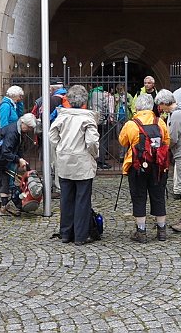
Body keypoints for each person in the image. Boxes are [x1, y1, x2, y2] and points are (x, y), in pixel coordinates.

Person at [49, 85, 99, 245]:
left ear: (69, 101)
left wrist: (61, 149)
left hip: (65, 162)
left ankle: (65, 233)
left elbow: (52, 137)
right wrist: (93, 154)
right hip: (82, 162)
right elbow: (91, 141)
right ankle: (80, 236)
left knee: (66, 198)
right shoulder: (87, 118)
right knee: (82, 200)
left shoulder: (62, 116)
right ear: (84, 101)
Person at [119, 93, 170, 243]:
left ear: (137, 107)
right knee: (159, 196)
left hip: (137, 166)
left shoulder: (131, 124)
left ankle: (141, 232)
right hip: (158, 166)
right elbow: (166, 141)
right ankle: (161, 231)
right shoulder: (159, 122)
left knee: (139, 197)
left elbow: (122, 141)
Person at [154, 89, 181, 233]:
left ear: (165, 103)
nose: (160, 108)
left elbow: (173, 138)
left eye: (160, 105)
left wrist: (162, 149)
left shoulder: (177, 114)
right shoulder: (177, 112)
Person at [0, 113, 37, 216]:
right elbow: (6, 151)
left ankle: (3, 206)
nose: (29, 130)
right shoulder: (13, 132)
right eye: (28, 127)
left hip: (0, 157)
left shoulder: (19, 131)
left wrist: (21, 159)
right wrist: (18, 160)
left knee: (5, 179)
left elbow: (18, 148)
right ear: (23, 123)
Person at [89, 85, 114, 169]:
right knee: (103, 141)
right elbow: (102, 108)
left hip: (93, 120)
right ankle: (101, 161)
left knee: (96, 140)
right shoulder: (100, 94)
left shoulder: (92, 93)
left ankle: (96, 160)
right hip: (101, 121)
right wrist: (104, 119)